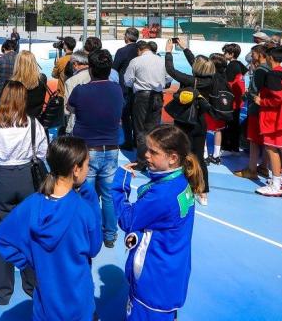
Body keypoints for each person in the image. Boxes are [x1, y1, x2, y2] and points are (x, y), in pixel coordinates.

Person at [0, 137, 102, 321]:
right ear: (76, 169)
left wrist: (29, 262)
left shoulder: (32, 204)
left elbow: (1, 238)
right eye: (86, 165)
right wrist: (91, 198)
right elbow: (94, 248)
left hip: (46, 304)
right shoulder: (83, 209)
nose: (88, 169)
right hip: (78, 303)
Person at [112, 125, 204, 321]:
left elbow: (128, 220)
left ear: (172, 158)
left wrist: (119, 185)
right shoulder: (181, 182)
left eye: (154, 152)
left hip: (153, 278)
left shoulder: (162, 195)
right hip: (171, 272)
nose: (146, 155)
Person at [0, 81, 47, 305]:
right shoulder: (33, 125)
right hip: (27, 178)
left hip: (2, 178)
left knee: (1, 232)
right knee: (30, 233)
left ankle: (1, 290)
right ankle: (31, 284)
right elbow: (42, 152)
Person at [68, 49, 125, 246]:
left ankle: (87, 234)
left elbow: (70, 107)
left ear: (90, 69)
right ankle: (110, 235)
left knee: (86, 194)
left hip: (87, 150)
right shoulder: (117, 89)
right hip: (110, 148)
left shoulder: (81, 90)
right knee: (108, 196)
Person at [164, 38, 215, 205]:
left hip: (184, 121)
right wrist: (185, 48)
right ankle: (203, 192)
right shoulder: (210, 80)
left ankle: (181, 186)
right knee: (199, 157)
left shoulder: (189, 80)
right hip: (200, 122)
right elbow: (197, 65)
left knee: (179, 154)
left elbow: (171, 70)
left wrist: (169, 52)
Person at [253, 47, 282, 197]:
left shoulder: (273, 75)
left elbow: (278, 98)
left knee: (271, 149)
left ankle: (276, 184)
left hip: (275, 118)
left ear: (270, 58)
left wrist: (262, 101)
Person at [124, 40, 170, 166]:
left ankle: (142, 160)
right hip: (157, 95)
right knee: (154, 129)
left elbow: (127, 80)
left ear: (139, 50)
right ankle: (154, 159)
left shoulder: (136, 61)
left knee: (140, 129)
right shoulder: (161, 60)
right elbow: (168, 78)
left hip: (141, 96)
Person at [234, 45, 270, 180]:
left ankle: (252, 169)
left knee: (254, 140)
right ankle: (264, 166)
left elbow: (254, 90)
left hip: (256, 108)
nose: (251, 55)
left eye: (253, 53)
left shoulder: (260, 70)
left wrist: (247, 95)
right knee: (266, 140)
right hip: (267, 109)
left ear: (260, 54)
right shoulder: (270, 67)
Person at [113, 27, 140, 150]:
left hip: (124, 87)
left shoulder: (122, 51)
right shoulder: (140, 50)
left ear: (127, 37)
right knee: (136, 116)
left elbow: (114, 68)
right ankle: (137, 141)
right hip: (138, 86)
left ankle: (128, 141)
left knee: (125, 116)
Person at [222, 43, 248, 153]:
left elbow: (227, 82)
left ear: (231, 54)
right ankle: (235, 146)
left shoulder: (231, 66)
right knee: (235, 122)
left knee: (229, 124)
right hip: (238, 99)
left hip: (232, 99)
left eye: (225, 52)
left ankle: (229, 147)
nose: (224, 54)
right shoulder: (239, 64)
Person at [10, 50, 48, 121]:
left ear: (18, 64)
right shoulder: (42, 78)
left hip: (20, 122)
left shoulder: (12, 83)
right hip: (37, 120)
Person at [63, 50, 90, 134]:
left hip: (76, 125)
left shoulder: (71, 81)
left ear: (75, 64)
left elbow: (66, 110)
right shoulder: (97, 76)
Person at [0, 39, 18, 110]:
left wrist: (2, 85)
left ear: (4, 48)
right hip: (18, 96)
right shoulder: (21, 60)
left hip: (2, 96)